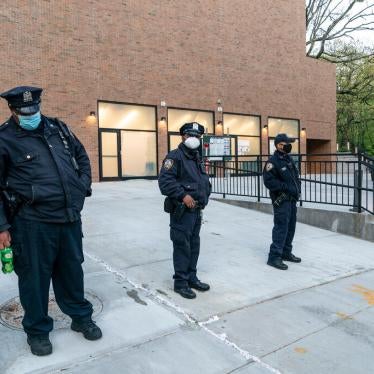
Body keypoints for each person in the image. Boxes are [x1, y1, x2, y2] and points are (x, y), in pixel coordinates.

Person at [0, 86, 102, 356]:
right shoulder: (4, 139)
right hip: (31, 223)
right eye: (25, 112)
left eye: (34, 109)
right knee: (34, 280)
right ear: (12, 111)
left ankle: (81, 318)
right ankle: (37, 330)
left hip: (69, 218)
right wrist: (2, 227)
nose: (31, 115)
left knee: (72, 272)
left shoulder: (58, 129)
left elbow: (81, 156)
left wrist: (81, 189)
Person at [158, 122, 211, 299]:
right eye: (190, 135)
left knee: (194, 245)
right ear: (183, 136)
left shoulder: (197, 157)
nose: (193, 139)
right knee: (182, 246)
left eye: (197, 136)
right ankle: (180, 282)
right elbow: (165, 182)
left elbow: (202, 181)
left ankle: (191, 277)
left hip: (196, 210)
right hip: (182, 211)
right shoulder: (175, 157)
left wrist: (204, 196)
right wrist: (183, 196)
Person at [263, 133, 302, 270]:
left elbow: (295, 177)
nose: (289, 146)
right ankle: (274, 257)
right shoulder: (272, 162)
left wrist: (297, 190)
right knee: (281, 228)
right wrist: (285, 189)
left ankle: (286, 252)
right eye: (286, 143)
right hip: (282, 200)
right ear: (279, 145)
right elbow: (269, 181)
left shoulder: (288, 159)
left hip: (292, 199)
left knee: (291, 227)